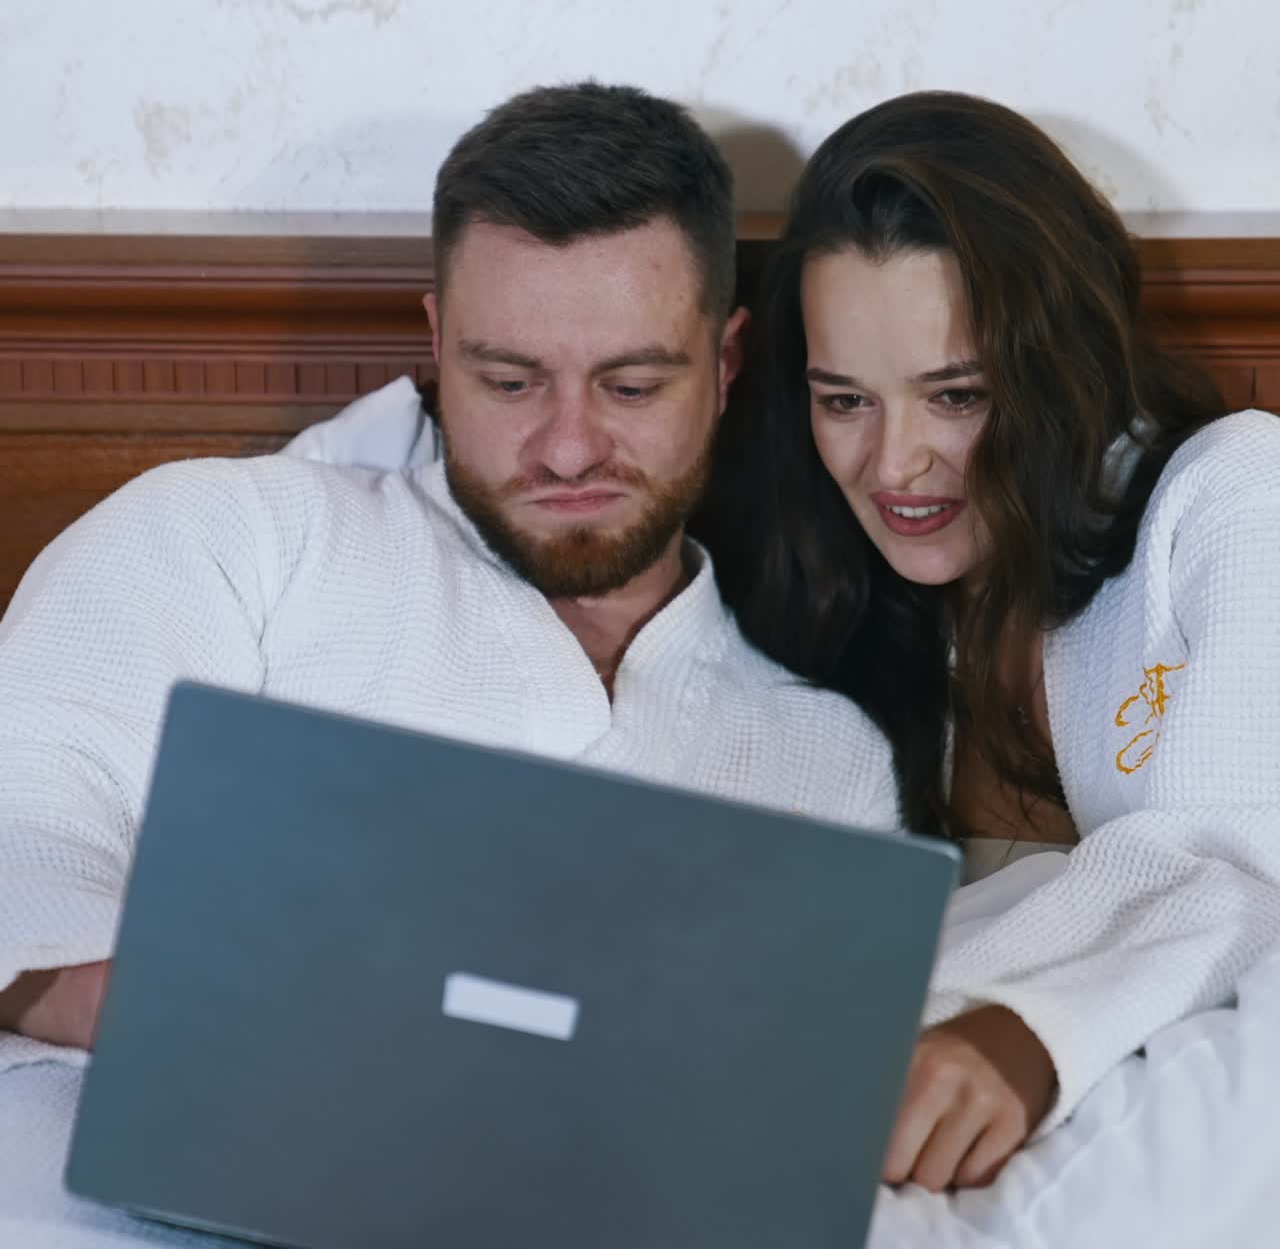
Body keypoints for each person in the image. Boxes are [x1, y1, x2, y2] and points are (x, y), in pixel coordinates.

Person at [0, 83, 901, 1241]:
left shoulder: (820, 761)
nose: (567, 447)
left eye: (631, 386)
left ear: (724, 362)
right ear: (435, 343)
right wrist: (149, 1000)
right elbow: (27, 806)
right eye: (508, 381)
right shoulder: (237, 539)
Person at [704, 88, 1280, 1204]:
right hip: (898, 1149)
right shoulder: (827, 605)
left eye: (956, 395)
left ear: (1062, 365)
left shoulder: (1231, 494)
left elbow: (1248, 865)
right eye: (844, 400)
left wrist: (1031, 1031)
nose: (895, 464)